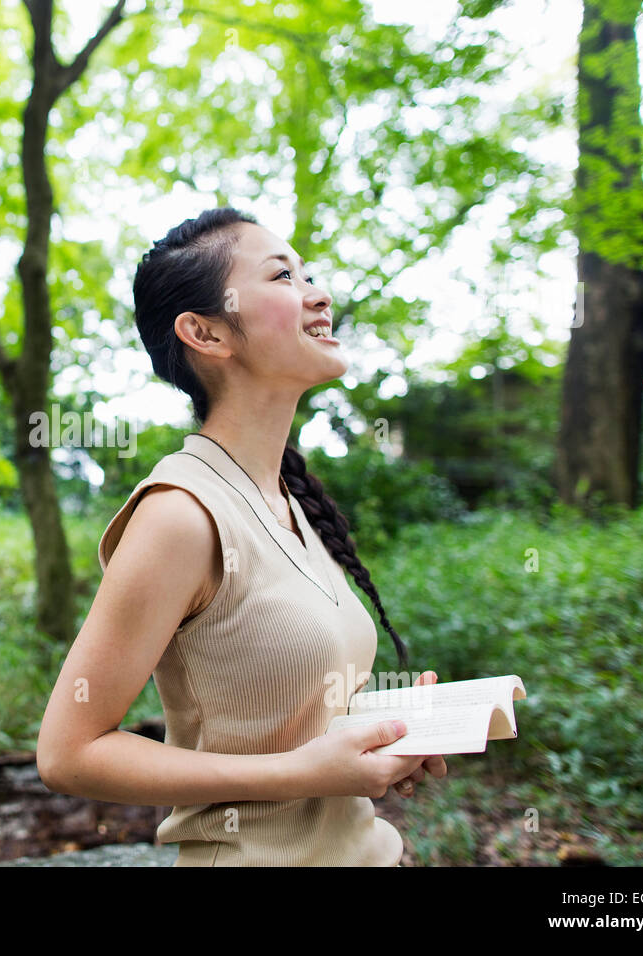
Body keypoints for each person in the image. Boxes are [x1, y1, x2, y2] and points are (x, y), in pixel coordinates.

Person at [36, 207, 447, 866]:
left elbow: (283, 710)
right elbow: (68, 753)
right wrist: (307, 773)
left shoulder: (291, 501)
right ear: (206, 333)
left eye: (309, 273)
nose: (319, 293)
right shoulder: (181, 513)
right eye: (283, 276)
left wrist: (388, 732)